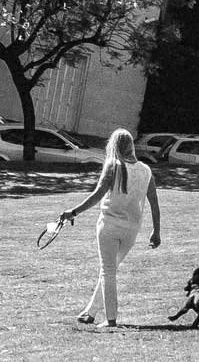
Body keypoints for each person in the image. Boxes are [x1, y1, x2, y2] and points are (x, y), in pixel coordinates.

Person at [58, 129, 161, 328]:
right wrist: (156, 231)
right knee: (110, 270)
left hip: (109, 226)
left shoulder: (113, 165)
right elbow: (154, 205)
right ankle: (90, 312)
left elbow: (98, 194)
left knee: (108, 271)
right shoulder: (146, 170)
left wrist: (74, 212)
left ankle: (111, 319)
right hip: (132, 230)